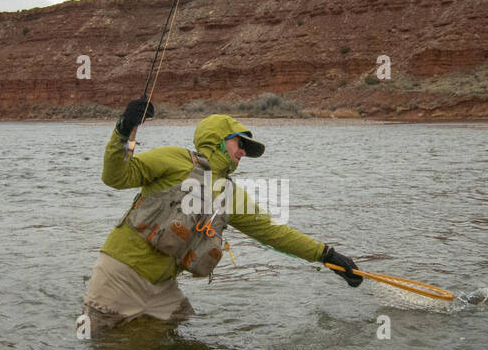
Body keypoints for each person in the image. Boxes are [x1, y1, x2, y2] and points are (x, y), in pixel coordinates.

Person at [82, 99, 363, 333]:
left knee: (174, 341)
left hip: (162, 288)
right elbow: (115, 176)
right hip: (119, 275)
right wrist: (123, 129)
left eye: (246, 149)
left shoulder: (230, 193)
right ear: (217, 141)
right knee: (105, 349)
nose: (243, 152)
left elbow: (274, 233)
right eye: (240, 144)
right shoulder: (173, 158)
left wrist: (327, 255)